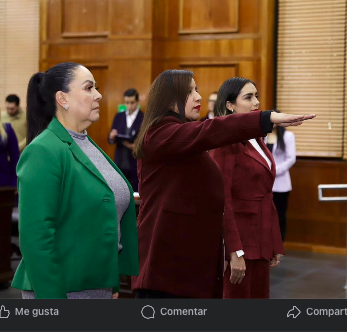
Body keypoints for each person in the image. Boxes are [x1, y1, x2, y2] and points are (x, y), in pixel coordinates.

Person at [131, 69, 315, 299]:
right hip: (166, 269)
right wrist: (265, 118)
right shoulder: (161, 133)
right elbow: (212, 129)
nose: (198, 97)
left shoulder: (179, 135)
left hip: (184, 265)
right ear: (169, 100)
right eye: (190, 92)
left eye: (196, 90)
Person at [11, 62, 139, 299]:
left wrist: (111, 283)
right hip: (62, 289)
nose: (98, 95)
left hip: (97, 284)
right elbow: (36, 237)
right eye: (89, 88)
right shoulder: (43, 150)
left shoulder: (86, 143)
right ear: (63, 98)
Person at [210, 77, 287, 299]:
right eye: (248, 97)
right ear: (229, 105)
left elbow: (265, 195)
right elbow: (222, 200)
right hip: (241, 241)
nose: (256, 102)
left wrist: (273, 240)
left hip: (261, 236)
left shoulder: (255, 137)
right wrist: (234, 251)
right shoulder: (225, 141)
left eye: (257, 96)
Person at [264, 114, 296, 242]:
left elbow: (291, 159)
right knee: (265, 216)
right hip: (264, 183)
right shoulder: (263, 135)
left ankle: (279, 244)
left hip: (281, 183)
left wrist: (274, 170)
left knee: (279, 215)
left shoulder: (288, 136)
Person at [108, 89, 144, 192]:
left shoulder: (144, 118)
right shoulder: (119, 116)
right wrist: (112, 136)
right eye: (127, 103)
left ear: (137, 102)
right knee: (119, 192)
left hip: (135, 164)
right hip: (120, 162)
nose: (129, 106)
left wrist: (137, 146)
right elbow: (110, 139)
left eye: (132, 103)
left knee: (136, 193)